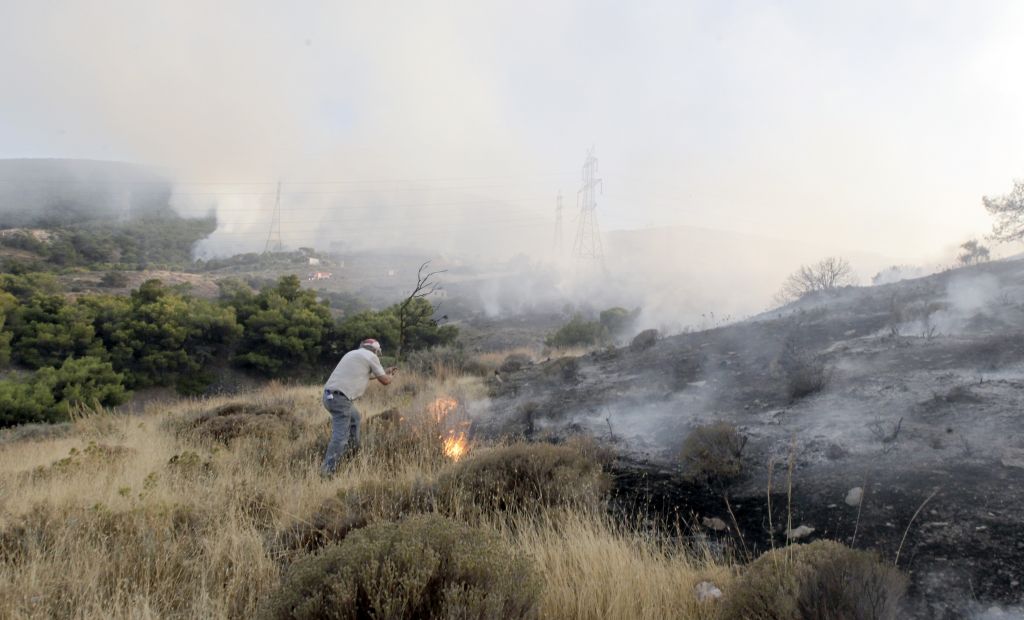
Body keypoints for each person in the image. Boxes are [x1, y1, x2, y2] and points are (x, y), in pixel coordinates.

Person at [320, 338, 395, 476]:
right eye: (378, 352)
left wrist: (385, 371)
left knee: (355, 418)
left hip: (330, 396)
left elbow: (366, 374)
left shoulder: (353, 354)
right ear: (375, 350)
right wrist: (390, 376)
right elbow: (384, 380)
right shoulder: (371, 356)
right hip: (340, 399)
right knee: (340, 437)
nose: (378, 355)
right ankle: (327, 472)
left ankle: (351, 453)